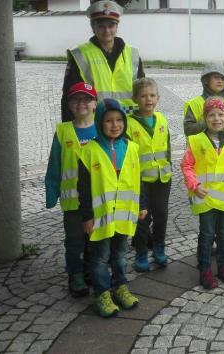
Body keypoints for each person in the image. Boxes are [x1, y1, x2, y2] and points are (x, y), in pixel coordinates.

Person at [78, 98, 146, 318]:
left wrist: (142, 204)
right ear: (99, 122)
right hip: (101, 216)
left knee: (120, 254)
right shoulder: (89, 151)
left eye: (119, 120)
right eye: (109, 121)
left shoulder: (132, 148)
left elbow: (138, 178)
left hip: (124, 214)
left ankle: (120, 287)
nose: (115, 125)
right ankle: (102, 293)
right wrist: (87, 217)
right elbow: (84, 187)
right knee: (100, 257)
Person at [44, 82, 98, 298]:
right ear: (68, 104)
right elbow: (54, 164)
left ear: (95, 104)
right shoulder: (63, 131)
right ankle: (75, 274)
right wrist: (51, 192)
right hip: (73, 202)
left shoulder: (103, 128)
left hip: (98, 199)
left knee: (94, 239)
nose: (81, 103)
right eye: (76, 99)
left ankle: (91, 269)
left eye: (86, 99)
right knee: (75, 240)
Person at [181, 97, 224, 290]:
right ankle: (205, 269)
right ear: (204, 118)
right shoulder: (196, 140)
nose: (216, 119)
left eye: (221, 114)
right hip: (204, 196)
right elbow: (187, 165)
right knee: (206, 233)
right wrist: (194, 184)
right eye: (211, 115)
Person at [62, 0, 144, 121]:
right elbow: (69, 97)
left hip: (130, 124)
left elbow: (143, 93)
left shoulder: (133, 54)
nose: (106, 31)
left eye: (111, 26)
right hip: (94, 124)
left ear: (117, 27)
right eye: (101, 26)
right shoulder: (80, 55)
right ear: (93, 27)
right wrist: (70, 129)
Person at [126, 78, 172, 272]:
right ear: (135, 99)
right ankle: (141, 252)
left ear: (158, 98)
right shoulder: (129, 123)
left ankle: (159, 248)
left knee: (161, 215)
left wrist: (168, 166)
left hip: (163, 177)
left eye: (152, 95)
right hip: (141, 180)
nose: (148, 100)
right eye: (143, 96)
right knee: (143, 217)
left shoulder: (161, 119)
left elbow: (167, 146)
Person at [183, 63, 224, 136]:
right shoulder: (194, 104)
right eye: (216, 77)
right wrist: (209, 122)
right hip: (201, 146)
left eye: (223, 78)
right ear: (206, 80)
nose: (220, 81)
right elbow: (188, 130)